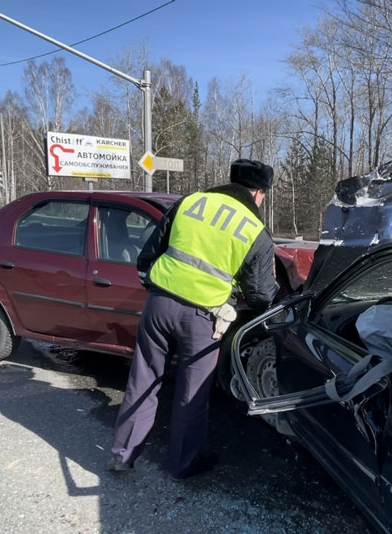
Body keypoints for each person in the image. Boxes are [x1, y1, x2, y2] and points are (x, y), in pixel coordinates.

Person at [108, 159, 279, 479]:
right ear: (258, 193)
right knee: (191, 394)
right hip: (203, 320)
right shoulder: (255, 231)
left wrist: (157, 289)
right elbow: (262, 296)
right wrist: (237, 298)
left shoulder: (189, 203)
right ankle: (183, 465)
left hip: (158, 306)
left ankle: (123, 454)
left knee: (142, 380)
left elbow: (148, 256)